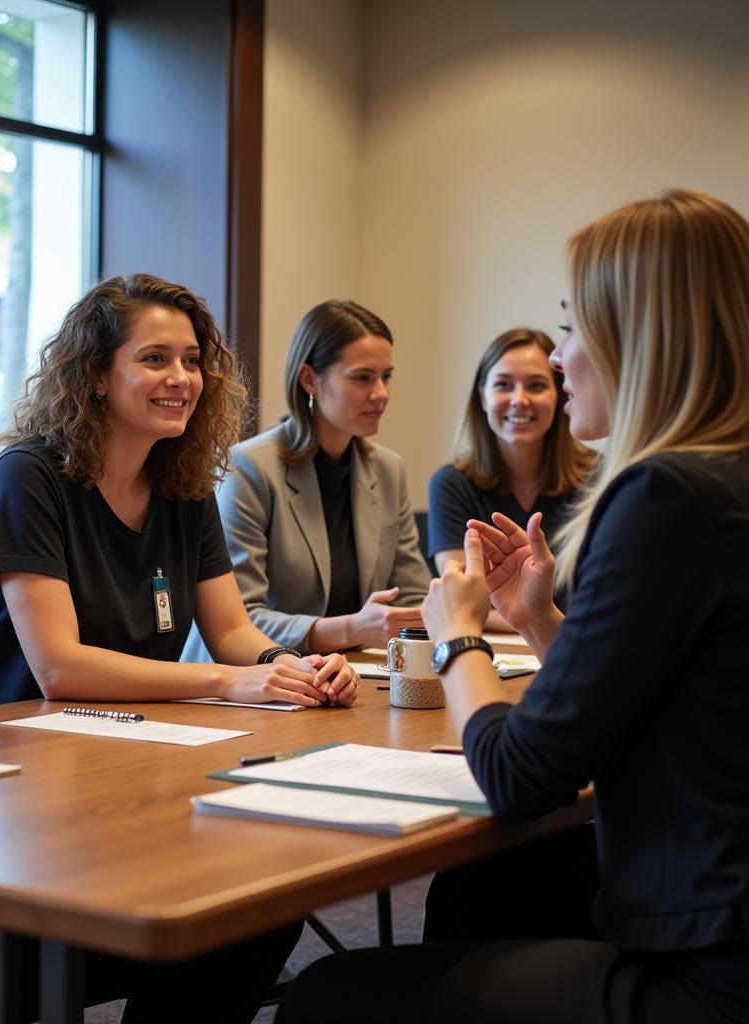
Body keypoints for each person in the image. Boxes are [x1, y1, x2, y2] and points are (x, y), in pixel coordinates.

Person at [277, 187, 749, 1024]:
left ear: (639, 334)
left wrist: (458, 637)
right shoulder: (720, 484)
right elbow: (674, 694)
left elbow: (520, 775)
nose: (562, 362)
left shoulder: (665, 496)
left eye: (571, 328)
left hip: (705, 971)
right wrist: (538, 622)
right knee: (506, 887)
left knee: (329, 998)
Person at [0, 272, 355, 1022]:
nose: (182, 379)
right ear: (97, 375)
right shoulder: (27, 477)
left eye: (193, 360)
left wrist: (284, 666)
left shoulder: (184, 481)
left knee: (265, 897)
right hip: (11, 776)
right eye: (156, 359)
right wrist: (227, 684)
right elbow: (58, 667)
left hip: (127, 757)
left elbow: (231, 632)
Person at [183, 299, 431, 662]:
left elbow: (414, 598)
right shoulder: (249, 467)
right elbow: (238, 621)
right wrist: (352, 628)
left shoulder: (388, 470)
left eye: (386, 376)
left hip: (346, 675)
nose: (381, 393)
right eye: (363, 377)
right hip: (250, 681)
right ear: (310, 380)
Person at [427, 326, 594, 627]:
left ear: (559, 396)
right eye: (503, 385)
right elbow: (463, 602)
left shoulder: (599, 478)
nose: (519, 399)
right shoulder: (451, 483)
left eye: (536, 385)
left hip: (581, 651)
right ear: (482, 398)